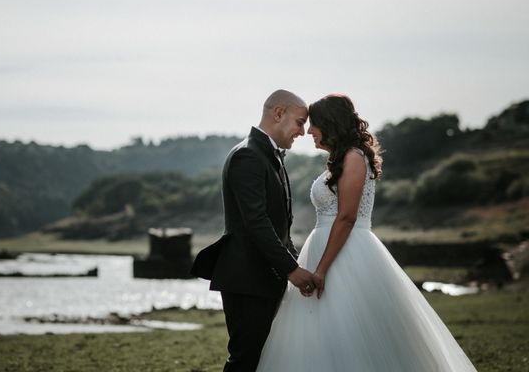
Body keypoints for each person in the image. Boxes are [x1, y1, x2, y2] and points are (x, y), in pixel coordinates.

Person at [256, 93, 477, 371]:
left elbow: (347, 217)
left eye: (314, 124)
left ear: (331, 123)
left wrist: (322, 269)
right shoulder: (339, 159)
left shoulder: (354, 157)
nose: (309, 130)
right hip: (325, 247)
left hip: (347, 252)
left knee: (355, 328)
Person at [191, 89, 317, 371]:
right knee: (245, 359)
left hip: (263, 276)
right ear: (278, 113)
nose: (303, 131)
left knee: (262, 358)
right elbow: (256, 222)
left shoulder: (270, 155)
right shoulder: (248, 155)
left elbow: (280, 225)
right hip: (246, 278)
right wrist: (291, 270)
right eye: (299, 122)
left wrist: (293, 263)